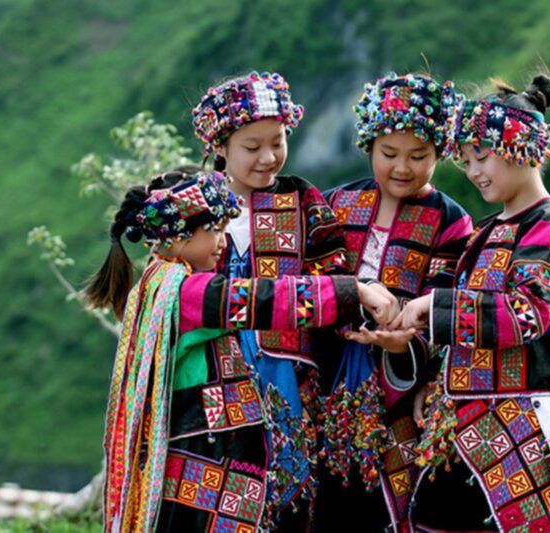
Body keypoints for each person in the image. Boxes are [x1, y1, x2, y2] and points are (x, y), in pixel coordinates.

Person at [87, 169, 395, 532]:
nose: (222, 241)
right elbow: (264, 300)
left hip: (201, 454)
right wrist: (352, 292)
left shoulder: (162, 286)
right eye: (213, 230)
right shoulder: (188, 294)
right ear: (180, 234)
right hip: (205, 455)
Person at [392, 74, 550, 532]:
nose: (475, 171)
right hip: (460, 427)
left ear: (522, 147)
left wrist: (434, 307)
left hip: (522, 426)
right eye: (465, 161)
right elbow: (462, 323)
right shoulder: (484, 232)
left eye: (482, 157)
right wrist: (430, 377)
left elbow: (527, 314)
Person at [193, 71, 390, 530]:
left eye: (277, 142)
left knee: (289, 484)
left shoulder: (301, 201)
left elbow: (334, 269)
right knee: (220, 483)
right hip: (212, 368)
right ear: (220, 146)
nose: (268, 158)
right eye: (251, 146)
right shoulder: (196, 206)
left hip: (287, 372)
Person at [315, 72, 473, 532]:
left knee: (388, 505)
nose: (402, 167)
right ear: (368, 146)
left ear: (440, 153)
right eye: (389, 154)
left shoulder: (450, 223)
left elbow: (443, 309)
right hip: (325, 383)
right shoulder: (336, 204)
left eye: (418, 156)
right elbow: (315, 277)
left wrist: (405, 347)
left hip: (400, 395)